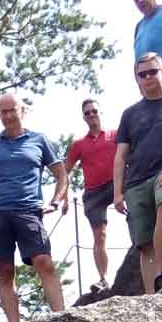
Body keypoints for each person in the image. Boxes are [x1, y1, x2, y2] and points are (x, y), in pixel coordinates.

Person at [0, 93, 67, 322]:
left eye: (12, 110)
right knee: (4, 269)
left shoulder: (39, 140)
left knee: (44, 260)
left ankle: (62, 318)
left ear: (23, 110)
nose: (8, 116)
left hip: (28, 209)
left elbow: (61, 174)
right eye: (3, 112)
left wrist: (55, 201)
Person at [113, 52, 162, 294]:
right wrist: (117, 192)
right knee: (143, 243)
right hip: (135, 181)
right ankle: (153, 297)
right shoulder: (129, 114)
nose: (148, 77)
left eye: (153, 72)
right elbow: (120, 155)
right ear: (137, 79)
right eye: (142, 74)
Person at [64, 98, 118, 292]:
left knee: (136, 215)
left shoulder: (115, 134)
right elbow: (65, 172)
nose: (92, 115)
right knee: (100, 236)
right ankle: (103, 279)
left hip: (116, 183)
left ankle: (145, 254)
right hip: (94, 191)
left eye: (94, 111)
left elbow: (130, 154)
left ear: (100, 112)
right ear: (83, 117)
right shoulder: (79, 144)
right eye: (87, 113)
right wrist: (63, 199)